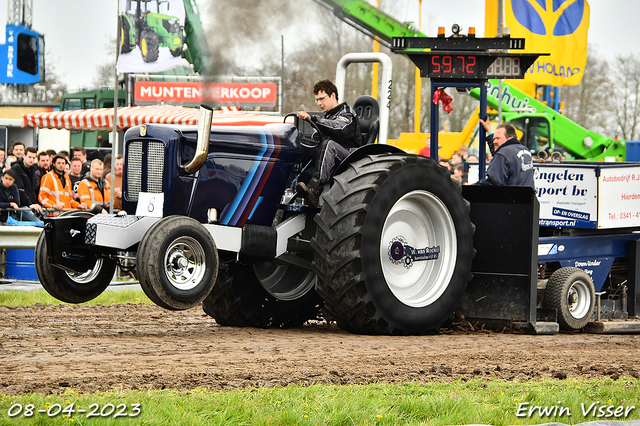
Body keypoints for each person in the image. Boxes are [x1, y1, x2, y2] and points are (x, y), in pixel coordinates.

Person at [295, 79, 361, 205]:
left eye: (322, 99)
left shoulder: (347, 113)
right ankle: (290, 185)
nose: (319, 103)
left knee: (328, 145)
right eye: (317, 100)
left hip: (350, 156)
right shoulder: (327, 116)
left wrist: (313, 119)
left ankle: (314, 189)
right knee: (300, 144)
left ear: (333, 95)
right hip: (331, 155)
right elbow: (316, 137)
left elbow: (338, 128)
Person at [477, 118, 534, 188]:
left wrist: (470, 188)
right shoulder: (524, 149)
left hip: (511, 197)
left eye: (498, 138)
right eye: (494, 138)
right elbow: (499, 152)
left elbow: (493, 182)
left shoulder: (503, 154)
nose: (494, 141)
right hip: (528, 197)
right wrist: (489, 131)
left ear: (509, 138)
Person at [11, 147, 43, 217]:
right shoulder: (16, 168)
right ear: (24, 156)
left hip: (33, 205)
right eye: (29, 157)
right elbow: (20, 189)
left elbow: (33, 190)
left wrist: (36, 204)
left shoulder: (34, 169)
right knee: (38, 223)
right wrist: (30, 204)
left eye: (34, 158)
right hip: (21, 206)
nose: (31, 160)